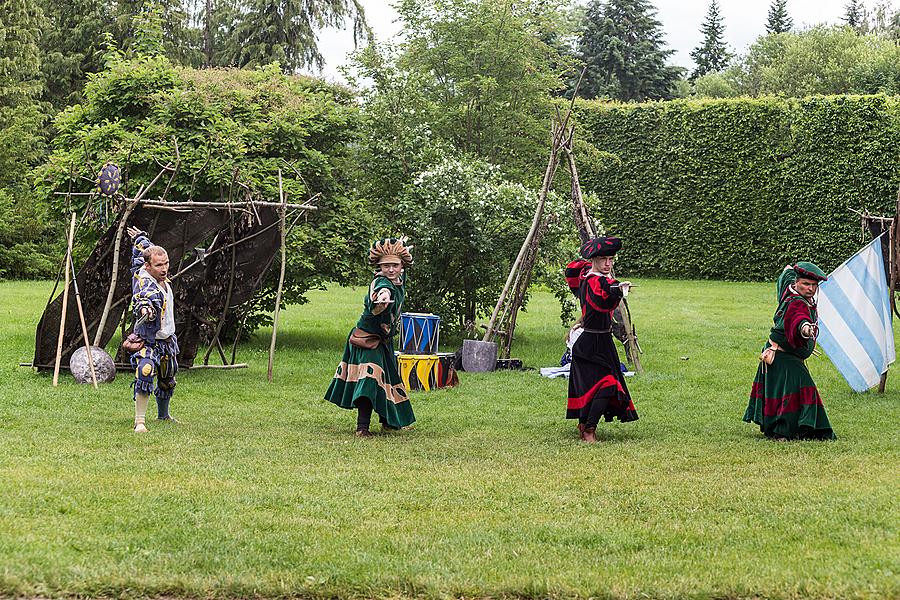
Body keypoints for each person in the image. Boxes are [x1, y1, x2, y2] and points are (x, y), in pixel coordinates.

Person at [325, 238, 416, 436]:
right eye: (385, 266)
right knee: (369, 380)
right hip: (366, 340)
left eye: (395, 265)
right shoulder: (381, 282)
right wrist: (382, 298)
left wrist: (401, 247)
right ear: (379, 266)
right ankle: (362, 428)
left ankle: (388, 421)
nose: (390, 270)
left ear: (402, 266)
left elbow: (400, 273)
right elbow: (381, 292)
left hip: (383, 341)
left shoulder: (400, 278)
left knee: (388, 381)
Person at [744, 262, 836, 441]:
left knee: (783, 391)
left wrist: (788, 269)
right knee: (802, 388)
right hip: (781, 355)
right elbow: (798, 319)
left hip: (776, 352)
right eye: (806, 284)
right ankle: (784, 433)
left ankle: (784, 429)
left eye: (814, 285)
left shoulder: (789, 288)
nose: (810, 289)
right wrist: (806, 329)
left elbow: (784, 277)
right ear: (797, 282)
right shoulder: (797, 303)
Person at [564, 236, 639, 443]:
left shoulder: (594, 280)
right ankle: (588, 430)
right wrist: (617, 290)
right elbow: (602, 295)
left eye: (611, 259)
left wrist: (617, 288)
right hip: (589, 344)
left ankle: (585, 425)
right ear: (594, 260)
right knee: (606, 384)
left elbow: (605, 292)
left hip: (603, 342)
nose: (608, 263)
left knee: (599, 385)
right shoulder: (592, 280)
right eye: (603, 259)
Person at [127, 226, 179, 433]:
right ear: (148, 267)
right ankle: (140, 422)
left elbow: (144, 249)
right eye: (159, 265)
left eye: (166, 263)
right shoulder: (145, 283)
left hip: (167, 339)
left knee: (168, 378)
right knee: (146, 371)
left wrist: (140, 238)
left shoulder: (149, 265)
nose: (164, 268)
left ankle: (163, 415)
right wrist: (146, 309)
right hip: (148, 340)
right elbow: (144, 299)